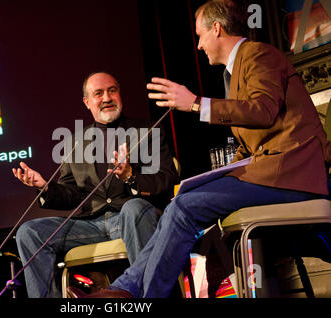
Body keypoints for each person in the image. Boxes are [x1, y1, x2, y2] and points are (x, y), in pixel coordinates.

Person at [67, 0, 330, 298]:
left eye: (200, 35)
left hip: (291, 176)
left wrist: (195, 103)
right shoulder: (236, 69)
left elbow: (263, 111)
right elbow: (254, 138)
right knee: (184, 198)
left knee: (185, 206)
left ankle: (140, 295)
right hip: (271, 173)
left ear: (216, 29)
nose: (200, 45)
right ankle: (125, 289)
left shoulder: (259, 54)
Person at [13, 71, 178, 297]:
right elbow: (71, 193)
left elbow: (166, 179)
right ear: (87, 102)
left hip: (133, 219)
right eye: (98, 93)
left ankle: (147, 297)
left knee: (134, 208)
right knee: (29, 232)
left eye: (112, 90)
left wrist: (131, 176)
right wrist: (45, 187)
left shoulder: (149, 130)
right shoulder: (74, 142)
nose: (107, 98)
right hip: (91, 226)